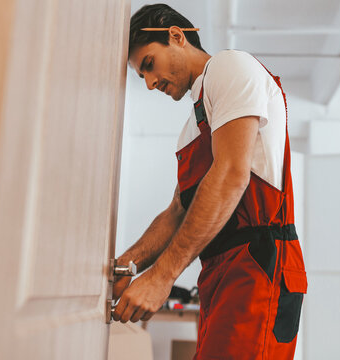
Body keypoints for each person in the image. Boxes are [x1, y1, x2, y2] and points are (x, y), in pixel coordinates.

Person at [112, 3, 307, 359]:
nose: (151, 83)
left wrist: (161, 277)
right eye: (142, 77)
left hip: (258, 265)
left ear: (175, 36)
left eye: (149, 65)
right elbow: (177, 212)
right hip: (218, 273)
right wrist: (127, 265)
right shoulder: (191, 129)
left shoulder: (230, 68)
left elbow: (232, 175)